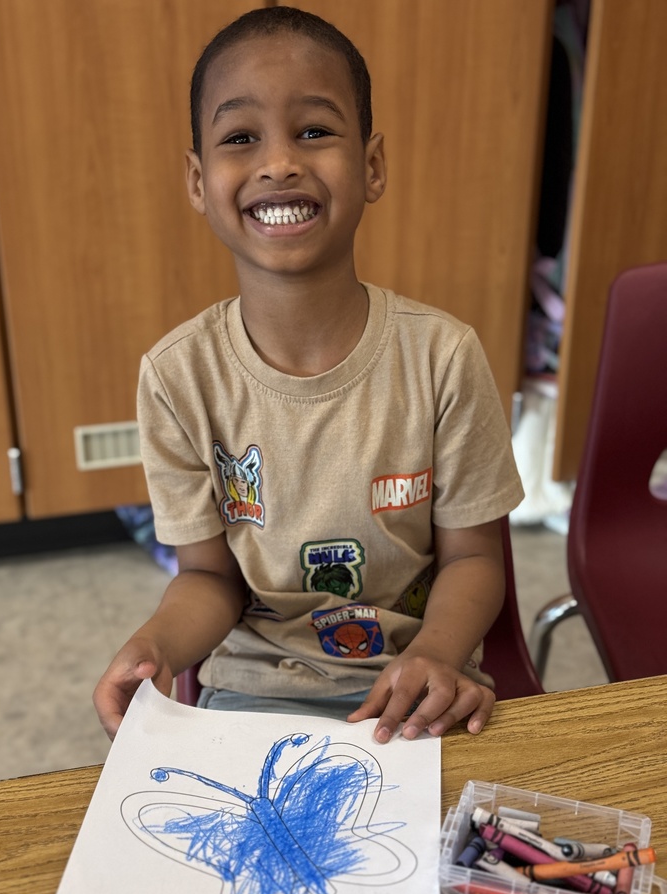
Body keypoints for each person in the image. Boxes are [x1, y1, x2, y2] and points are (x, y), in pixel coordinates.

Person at [93, 5, 524, 744]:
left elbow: (476, 557)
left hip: (420, 694)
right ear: (198, 180)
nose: (280, 161)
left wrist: (436, 652)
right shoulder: (176, 376)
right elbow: (206, 578)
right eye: (240, 138)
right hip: (253, 692)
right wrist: (155, 645)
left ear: (373, 165)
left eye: (315, 131)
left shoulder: (443, 356)